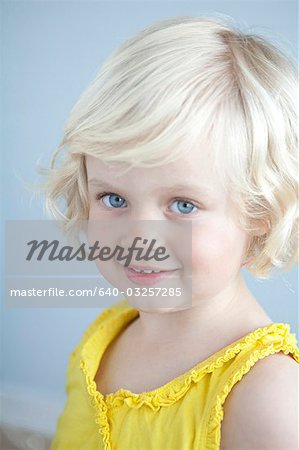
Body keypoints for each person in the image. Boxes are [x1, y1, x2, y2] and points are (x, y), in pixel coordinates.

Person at [42, 15, 298, 450]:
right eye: (114, 199)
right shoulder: (104, 337)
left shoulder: (270, 398)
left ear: (261, 214)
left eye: (183, 206)